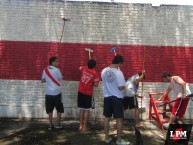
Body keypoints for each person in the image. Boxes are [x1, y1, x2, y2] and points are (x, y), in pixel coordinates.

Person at [101, 55, 130, 145]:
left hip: (107, 97)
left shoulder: (104, 70)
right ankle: (119, 140)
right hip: (116, 97)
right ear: (119, 63)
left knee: (107, 118)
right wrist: (125, 85)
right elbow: (121, 87)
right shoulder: (118, 73)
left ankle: (106, 138)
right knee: (119, 119)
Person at [41, 56, 64, 130]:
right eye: (56, 61)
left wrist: (48, 80)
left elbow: (42, 80)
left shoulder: (45, 70)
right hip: (57, 92)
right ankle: (58, 124)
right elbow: (60, 78)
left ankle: (50, 125)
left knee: (49, 110)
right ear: (52, 62)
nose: (58, 62)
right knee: (59, 109)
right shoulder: (57, 70)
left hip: (48, 93)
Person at [78, 59, 100, 131]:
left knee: (81, 109)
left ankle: (80, 126)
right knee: (87, 110)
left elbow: (80, 67)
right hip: (88, 93)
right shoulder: (95, 73)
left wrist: (87, 66)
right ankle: (85, 127)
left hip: (80, 91)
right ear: (95, 66)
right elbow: (96, 85)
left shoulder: (83, 69)